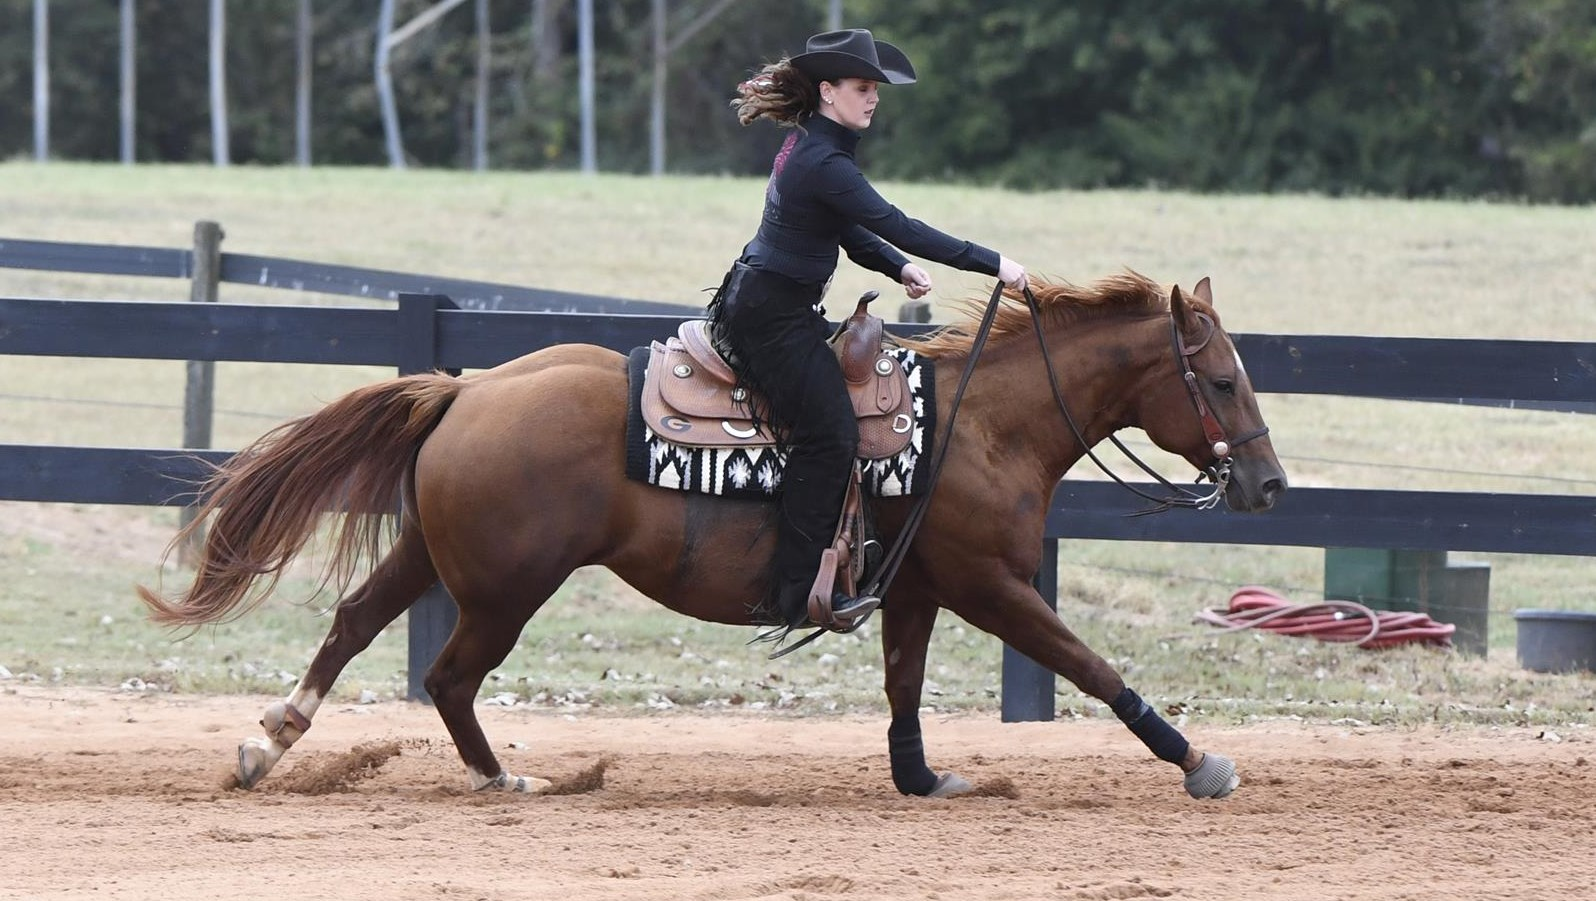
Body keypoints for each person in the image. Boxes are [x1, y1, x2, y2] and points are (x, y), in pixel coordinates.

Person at [709, 28, 1028, 634]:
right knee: (830, 434)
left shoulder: (811, 148)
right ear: (828, 92)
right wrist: (994, 263)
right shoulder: (823, 160)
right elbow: (895, 221)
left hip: (769, 305)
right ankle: (796, 589)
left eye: (875, 89)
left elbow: (848, 228)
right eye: (862, 87)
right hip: (771, 319)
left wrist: (897, 266)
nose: (873, 98)